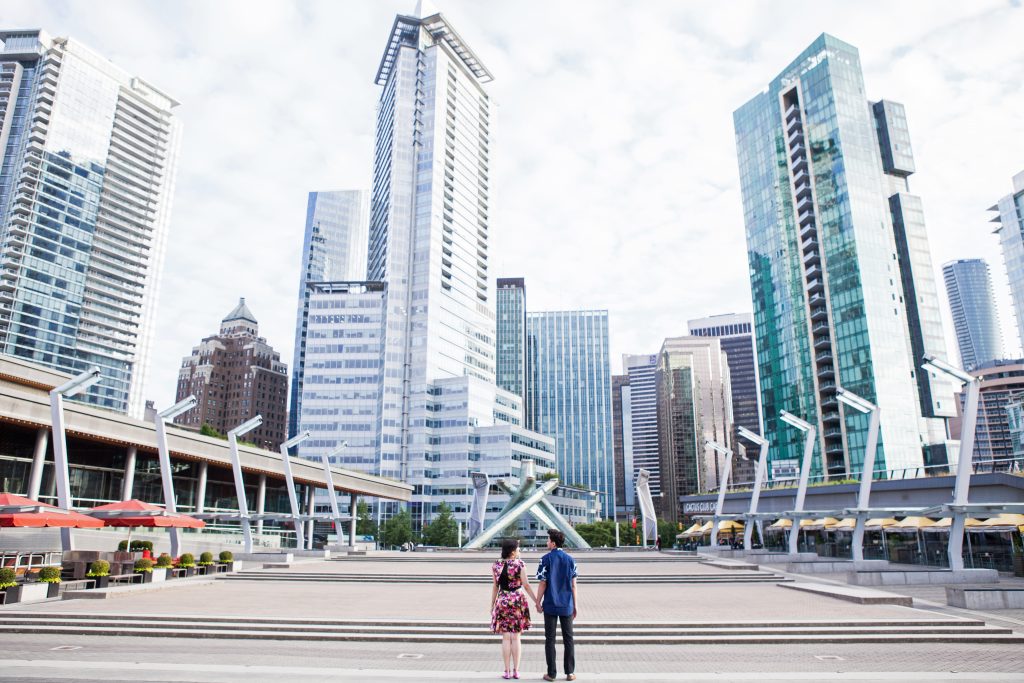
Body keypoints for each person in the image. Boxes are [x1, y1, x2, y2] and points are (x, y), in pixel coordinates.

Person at [535, 529, 577, 682]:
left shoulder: (545, 559)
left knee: (550, 639)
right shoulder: (570, 560)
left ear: (553, 543)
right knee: (569, 639)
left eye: (547, 540)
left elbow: (542, 583)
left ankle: (551, 673)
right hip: (567, 604)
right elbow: (573, 585)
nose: (546, 543)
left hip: (551, 604)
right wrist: (575, 605)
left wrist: (537, 601)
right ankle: (570, 673)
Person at [490, 538, 536, 680]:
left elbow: (495, 587)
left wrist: (492, 605)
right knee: (516, 637)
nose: (519, 551)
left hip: (502, 600)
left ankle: (506, 671)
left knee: (505, 637)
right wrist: (536, 601)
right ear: (512, 552)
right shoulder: (519, 564)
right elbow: (526, 585)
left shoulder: (496, 565)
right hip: (516, 601)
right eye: (518, 548)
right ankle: (516, 670)